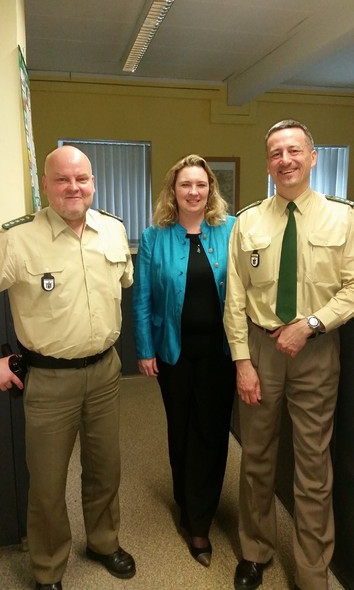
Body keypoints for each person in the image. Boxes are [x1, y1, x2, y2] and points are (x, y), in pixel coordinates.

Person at [224, 119, 354, 590]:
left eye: (295, 150)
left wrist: (313, 324)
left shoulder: (345, 219)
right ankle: (255, 551)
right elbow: (235, 297)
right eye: (277, 152)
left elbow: (353, 288)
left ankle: (313, 571)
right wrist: (242, 362)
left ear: (313, 157)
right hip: (261, 350)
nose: (286, 159)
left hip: (316, 352)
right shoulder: (248, 221)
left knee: (314, 467)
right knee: (257, 457)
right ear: (268, 163)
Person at [0, 146, 136, 590]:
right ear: (45, 185)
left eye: (82, 179)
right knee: (47, 481)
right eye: (62, 179)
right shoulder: (17, 238)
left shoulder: (113, 231)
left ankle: (102, 541)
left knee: (105, 468)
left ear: (93, 182)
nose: (73, 187)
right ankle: (48, 568)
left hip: (105, 373)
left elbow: (123, 286)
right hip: (48, 379)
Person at [133, 154, 236, 567]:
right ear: (172, 191)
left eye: (201, 184)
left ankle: (201, 520)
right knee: (181, 430)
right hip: (173, 353)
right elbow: (142, 298)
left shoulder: (231, 230)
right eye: (185, 185)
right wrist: (144, 349)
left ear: (210, 189)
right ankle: (185, 501)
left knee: (212, 434)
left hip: (221, 354)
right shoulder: (154, 236)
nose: (194, 192)